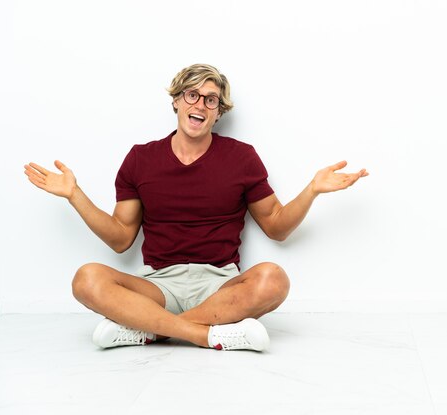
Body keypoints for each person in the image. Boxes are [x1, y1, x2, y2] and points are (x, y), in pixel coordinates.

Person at [24, 63, 368, 352]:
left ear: (219, 112)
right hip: (158, 285)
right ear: (176, 101)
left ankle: (148, 331)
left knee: (273, 280)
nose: (200, 105)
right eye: (192, 95)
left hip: (220, 285)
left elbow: (276, 227)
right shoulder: (141, 159)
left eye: (211, 100)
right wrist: (75, 194)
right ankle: (207, 335)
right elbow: (120, 239)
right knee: (86, 279)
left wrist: (313, 190)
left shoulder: (242, 157)